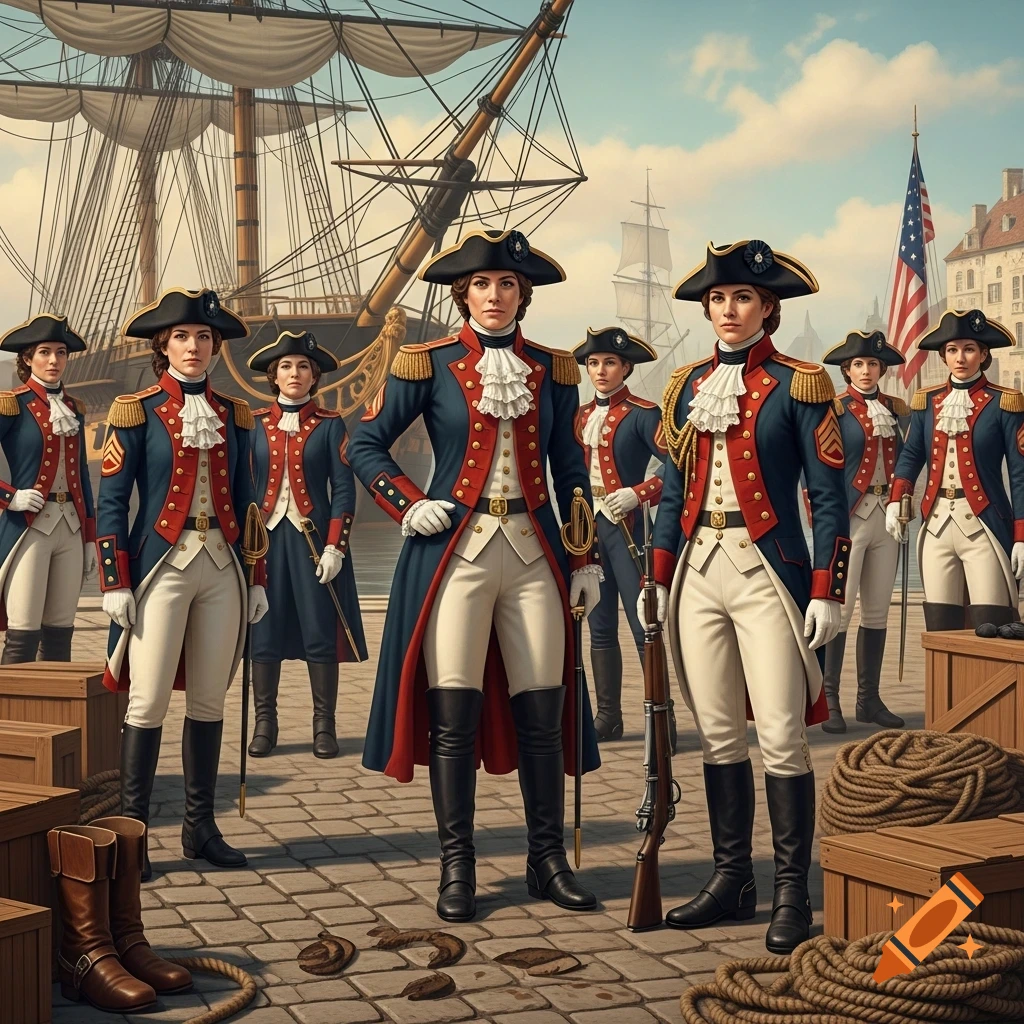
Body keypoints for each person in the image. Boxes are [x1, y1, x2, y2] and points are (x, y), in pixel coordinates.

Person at [347, 228, 602, 923]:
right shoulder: (425, 363)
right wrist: (408, 501)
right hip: (455, 555)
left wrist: (584, 556)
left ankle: (547, 861)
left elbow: (570, 468)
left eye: (507, 285)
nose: (495, 296)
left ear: (523, 294)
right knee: (452, 717)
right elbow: (364, 443)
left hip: (534, 553)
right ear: (464, 293)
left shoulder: (553, 369)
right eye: (482, 285)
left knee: (543, 713)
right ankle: (456, 866)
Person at [645, 240, 850, 954]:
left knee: (782, 735)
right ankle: (732, 879)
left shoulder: (802, 384)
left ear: (768, 308)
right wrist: (658, 577)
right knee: (719, 732)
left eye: (742, 299)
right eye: (717, 300)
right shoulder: (685, 386)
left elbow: (828, 499)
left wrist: (827, 588)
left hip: (768, 573)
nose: (728, 310)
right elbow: (672, 493)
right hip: (698, 570)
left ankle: (792, 890)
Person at [97, 287, 268, 879]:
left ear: (216, 346)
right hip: (160, 569)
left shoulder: (234, 415)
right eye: (181, 337)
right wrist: (115, 580)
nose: (193, 347)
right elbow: (113, 502)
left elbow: (248, 503)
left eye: (203, 337)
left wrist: (256, 577)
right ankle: (132, 835)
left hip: (222, 565)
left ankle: (200, 827)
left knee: (208, 698)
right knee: (146, 701)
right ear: (163, 346)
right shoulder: (136, 411)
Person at [246, 329, 367, 759]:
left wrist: (336, 547)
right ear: (273, 376)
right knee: (263, 630)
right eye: (285, 366)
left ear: (314, 376)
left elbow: (344, 491)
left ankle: (324, 726)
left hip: (313, 543)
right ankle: (265, 724)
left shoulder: (331, 425)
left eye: (302, 366)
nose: (294, 373)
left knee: (320, 630)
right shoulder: (253, 424)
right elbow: (242, 488)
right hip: (263, 544)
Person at [888, 309, 1024, 630]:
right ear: (943, 356)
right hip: (936, 524)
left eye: (969, 349)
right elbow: (911, 456)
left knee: (990, 623)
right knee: (939, 623)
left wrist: (1021, 535)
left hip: (984, 524)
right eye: (952, 350)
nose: (960, 358)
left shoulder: (1004, 402)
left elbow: (1020, 475)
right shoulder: (927, 402)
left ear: (983, 354)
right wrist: (896, 499)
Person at [572, 326, 674, 745]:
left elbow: (678, 466)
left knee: (642, 624)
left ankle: (662, 721)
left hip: (629, 530)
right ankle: (608, 717)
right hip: (588, 530)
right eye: (594, 363)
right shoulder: (579, 416)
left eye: (610, 363)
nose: (600, 371)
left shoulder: (644, 413)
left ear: (626, 368)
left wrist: (639, 493)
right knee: (598, 624)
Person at [818, 330, 908, 733]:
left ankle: (868, 700)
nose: (866, 370)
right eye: (858, 364)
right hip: (848, 517)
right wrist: (824, 517)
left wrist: (903, 504)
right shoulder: (833, 409)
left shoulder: (897, 409)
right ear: (847, 370)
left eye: (873, 363)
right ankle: (829, 699)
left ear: (881, 369)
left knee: (876, 610)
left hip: (887, 516)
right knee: (839, 610)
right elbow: (817, 468)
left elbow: (910, 460)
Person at [0, 314, 96, 662]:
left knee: (60, 633)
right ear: (28, 358)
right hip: (29, 528)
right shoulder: (11, 404)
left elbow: (82, 476)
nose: (54, 360)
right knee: (23, 633)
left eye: (61, 352)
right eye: (45, 352)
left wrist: (90, 537)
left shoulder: (74, 409)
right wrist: (9, 497)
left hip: (71, 528)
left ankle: (53, 701)